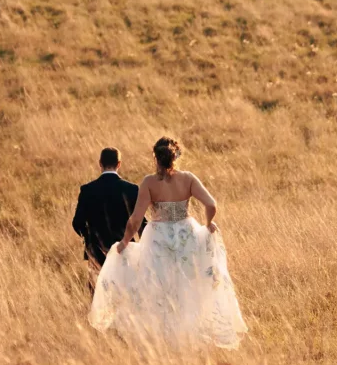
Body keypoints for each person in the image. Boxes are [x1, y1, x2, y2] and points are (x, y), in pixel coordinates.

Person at [89, 136, 246, 350]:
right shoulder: (188, 179)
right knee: (186, 284)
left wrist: (125, 241)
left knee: (158, 287)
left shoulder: (149, 183)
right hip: (186, 235)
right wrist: (208, 224)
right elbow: (211, 203)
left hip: (158, 239)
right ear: (176, 156)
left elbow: (135, 219)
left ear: (156, 157)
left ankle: (162, 338)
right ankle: (186, 337)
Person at [72, 147, 140, 288]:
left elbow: (77, 222)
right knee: (124, 292)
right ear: (119, 164)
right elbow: (139, 221)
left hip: (96, 251)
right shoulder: (131, 189)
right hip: (125, 249)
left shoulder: (87, 189)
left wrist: (90, 237)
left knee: (97, 294)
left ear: (100, 163)